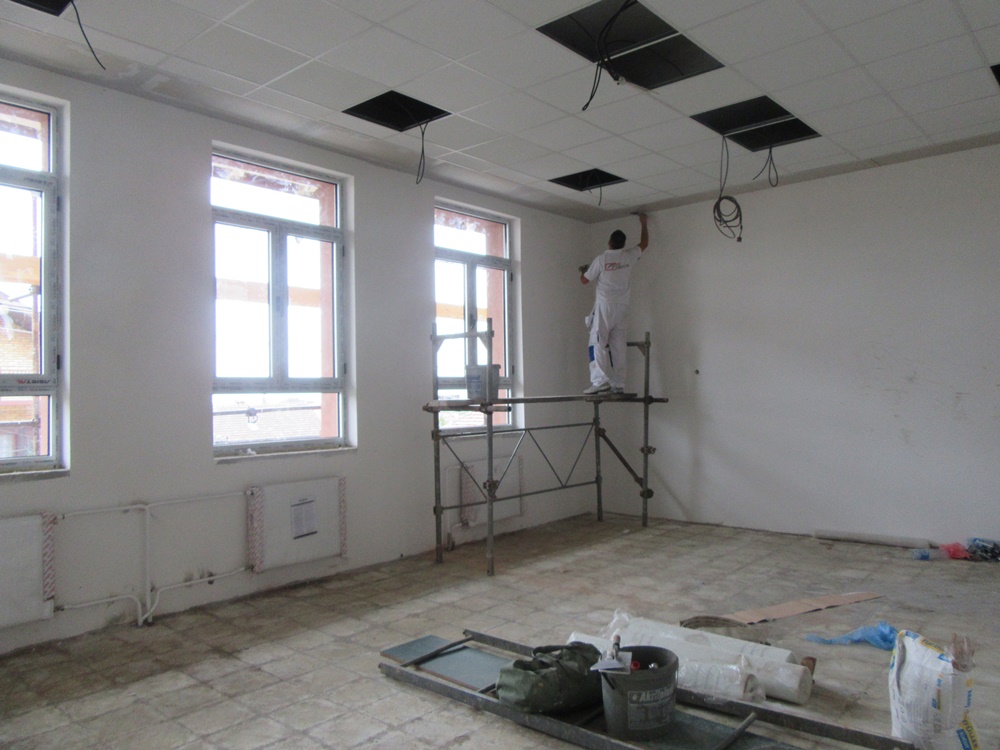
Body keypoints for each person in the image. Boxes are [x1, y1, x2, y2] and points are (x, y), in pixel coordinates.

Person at [578, 213, 649, 394]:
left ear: (609, 241)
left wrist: (584, 271)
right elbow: (644, 243)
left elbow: (584, 280)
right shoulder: (628, 256)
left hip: (605, 307)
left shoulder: (601, 259)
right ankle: (619, 384)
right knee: (618, 346)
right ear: (623, 244)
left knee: (597, 342)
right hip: (622, 307)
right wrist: (643, 223)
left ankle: (599, 380)